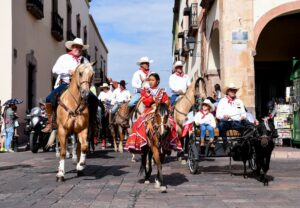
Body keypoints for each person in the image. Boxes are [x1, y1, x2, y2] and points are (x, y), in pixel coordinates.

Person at [125, 73, 182, 153]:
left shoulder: (162, 91)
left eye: (152, 80)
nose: (150, 82)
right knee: (138, 123)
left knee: (172, 123)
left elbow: (166, 101)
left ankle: (168, 144)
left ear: (157, 81)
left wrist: (165, 103)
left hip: (160, 111)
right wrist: (153, 98)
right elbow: (145, 101)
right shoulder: (146, 91)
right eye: (149, 80)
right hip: (149, 110)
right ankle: (141, 143)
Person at [43, 38, 89, 132]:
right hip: (66, 84)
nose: (78, 49)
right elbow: (54, 70)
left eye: (80, 47)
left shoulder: (85, 61)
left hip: (82, 87)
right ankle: (51, 122)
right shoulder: (64, 57)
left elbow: (90, 72)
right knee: (49, 99)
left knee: (94, 100)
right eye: (76, 46)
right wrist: (68, 72)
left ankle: (92, 123)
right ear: (72, 47)